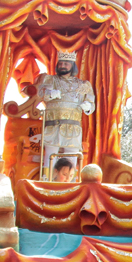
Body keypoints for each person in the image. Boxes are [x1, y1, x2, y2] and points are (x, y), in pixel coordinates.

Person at [35, 51, 95, 181]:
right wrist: (50, 93)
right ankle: (47, 184)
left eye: (66, 63)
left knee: (72, 158)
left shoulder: (83, 85)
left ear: (72, 65)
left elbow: (91, 103)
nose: (63, 65)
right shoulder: (50, 80)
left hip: (73, 128)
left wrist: (88, 106)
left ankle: (70, 186)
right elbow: (40, 93)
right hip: (53, 126)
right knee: (50, 156)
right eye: (61, 63)